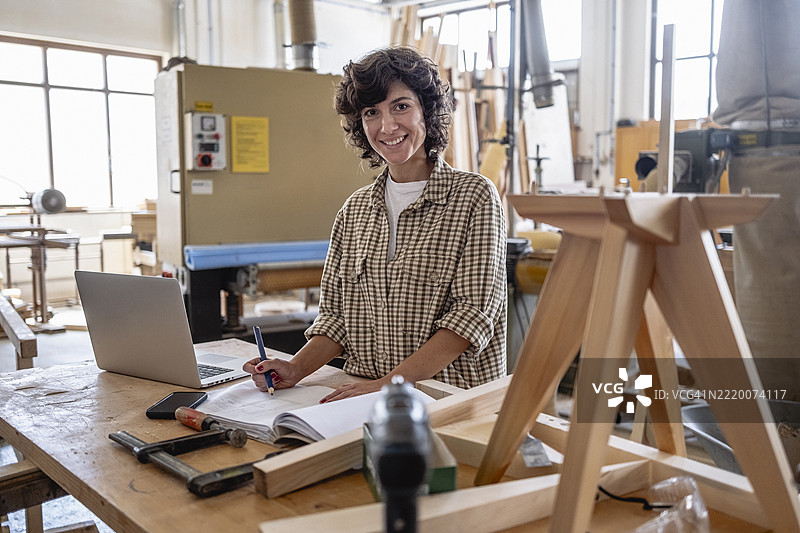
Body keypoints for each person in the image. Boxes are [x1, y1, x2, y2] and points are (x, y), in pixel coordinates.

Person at [244, 47, 507, 402]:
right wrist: (295, 368)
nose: (387, 126)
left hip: (449, 401)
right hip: (364, 397)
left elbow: (469, 318)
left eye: (401, 106)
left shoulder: (474, 197)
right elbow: (336, 319)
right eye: (372, 112)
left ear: (427, 111)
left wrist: (389, 383)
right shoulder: (353, 211)